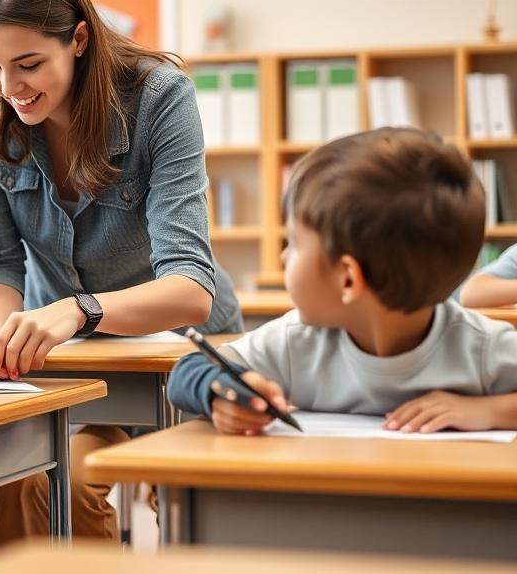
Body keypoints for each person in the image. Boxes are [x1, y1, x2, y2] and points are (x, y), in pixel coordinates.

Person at [0, 0, 241, 543]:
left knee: (193, 498)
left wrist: (80, 311)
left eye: (29, 63)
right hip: (75, 363)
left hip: (183, 356)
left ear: (79, 39)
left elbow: (190, 286)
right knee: (31, 478)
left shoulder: (160, 98)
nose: (10, 88)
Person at [169, 128, 517, 434]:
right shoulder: (295, 342)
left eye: (295, 242)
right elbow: (187, 372)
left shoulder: (482, 347)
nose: (283, 258)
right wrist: (222, 392)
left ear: (348, 279)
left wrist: (487, 411)